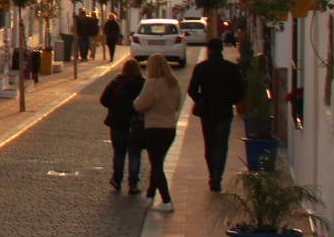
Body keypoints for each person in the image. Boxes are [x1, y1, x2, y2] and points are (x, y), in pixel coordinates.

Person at [186, 38, 246, 192]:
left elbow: (192, 90)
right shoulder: (231, 68)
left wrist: (201, 100)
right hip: (224, 111)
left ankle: (212, 174)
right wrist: (231, 100)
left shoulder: (201, 68)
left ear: (209, 50)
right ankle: (217, 177)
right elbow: (241, 90)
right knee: (221, 145)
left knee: (210, 144)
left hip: (207, 111)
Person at [132, 52, 183, 212]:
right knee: (158, 163)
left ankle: (166, 200)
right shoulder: (173, 83)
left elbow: (140, 105)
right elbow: (176, 105)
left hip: (154, 128)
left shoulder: (152, 84)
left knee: (156, 165)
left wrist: (136, 102)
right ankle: (150, 195)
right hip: (170, 128)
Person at [100, 58, 145, 194]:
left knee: (119, 153)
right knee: (135, 154)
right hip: (135, 125)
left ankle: (117, 179)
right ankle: (133, 184)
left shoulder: (117, 82)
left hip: (117, 123)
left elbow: (104, 99)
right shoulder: (143, 84)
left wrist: (114, 107)